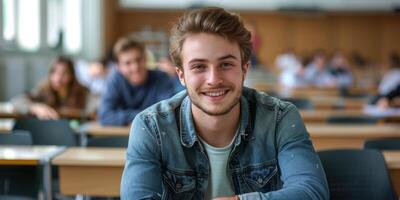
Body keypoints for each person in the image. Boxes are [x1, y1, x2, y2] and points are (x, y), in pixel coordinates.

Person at [121, 7, 328, 200]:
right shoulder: (151, 126)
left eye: (226, 64)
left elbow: (311, 191)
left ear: (244, 69)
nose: (213, 79)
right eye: (199, 66)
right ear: (181, 75)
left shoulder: (280, 118)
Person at [98, 36, 175, 126]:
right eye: (128, 63)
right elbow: (105, 116)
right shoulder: (115, 81)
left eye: (139, 60)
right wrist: (144, 117)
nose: (135, 67)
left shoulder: (161, 78)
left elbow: (168, 113)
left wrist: (128, 118)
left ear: (145, 58)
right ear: (118, 67)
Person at [11, 56, 91, 119]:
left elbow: (96, 105)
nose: (58, 78)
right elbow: (17, 101)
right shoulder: (43, 90)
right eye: (54, 72)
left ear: (72, 76)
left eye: (64, 73)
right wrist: (35, 108)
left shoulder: (82, 91)